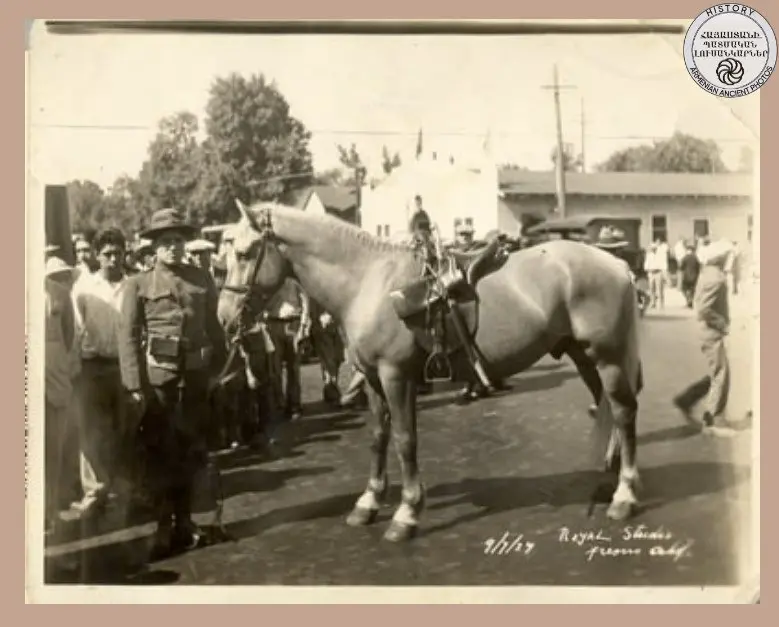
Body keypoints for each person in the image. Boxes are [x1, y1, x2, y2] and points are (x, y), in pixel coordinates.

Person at [118, 208, 227, 559]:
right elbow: (129, 336)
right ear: (154, 247)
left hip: (195, 379)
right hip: (159, 382)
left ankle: (185, 521)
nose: (174, 247)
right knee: (161, 455)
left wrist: (220, 371)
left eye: (179, 241)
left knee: (190, 452)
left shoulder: (202, 279)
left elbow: (213, 328)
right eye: (166, 242)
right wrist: (135, 385)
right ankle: (163, 526)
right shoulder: (138, 283)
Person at [70, 228, 129, 518]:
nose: (113, 259)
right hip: (92, 367)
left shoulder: (132, 286)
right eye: (107, 254)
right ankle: (95, 492)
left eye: (118, 253)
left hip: (123, 367)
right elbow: (74, 330)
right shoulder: (84, 288)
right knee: (91, 432)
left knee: (124, 429)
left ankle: (124, 490)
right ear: (96, 256)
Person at [673, 239, 742, 437]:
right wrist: (723, 324)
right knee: (721, 373)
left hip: (707, 330)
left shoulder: (708, 273)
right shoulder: (716, 278)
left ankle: (687, 399)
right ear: (722, 258)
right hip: (711, 331)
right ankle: (713, 419)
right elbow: (704, 308)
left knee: (716, 371)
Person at [44, 255, 81, 537]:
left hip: (53, 380)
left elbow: (70, 335)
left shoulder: (58, 293)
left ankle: (48, 514)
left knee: (51, 450)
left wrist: (63, 367)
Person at [264, 279, 311, 421]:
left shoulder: (294, 281)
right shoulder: (269, 283)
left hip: (293, 324)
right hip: (274, 323)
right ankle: (280, 403)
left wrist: (303, 327)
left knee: (293, 368)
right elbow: (264, 306)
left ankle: (294, 405)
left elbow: (305, 301)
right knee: (275, 368)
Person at [643, 239, 668, 309]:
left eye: (654, 248)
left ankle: (661, 303)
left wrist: (664, 274)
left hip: (658, 272)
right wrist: (647, 269)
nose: (653, 249)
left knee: (659, 288)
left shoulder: (660, 255)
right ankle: (653, 302)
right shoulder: (649, 255)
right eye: (652, 248)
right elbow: (646, 264)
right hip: (651, 273)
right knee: (651, 288)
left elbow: (663, 264)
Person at [678, 244, 702, 308]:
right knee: (692, 290)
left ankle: (688, 300)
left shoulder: (685, 257)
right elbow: (699, 267)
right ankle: (690, 301)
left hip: (686, 277)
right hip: (695, 277)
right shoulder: (696, 258)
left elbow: (681, 267)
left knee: (684, 289)